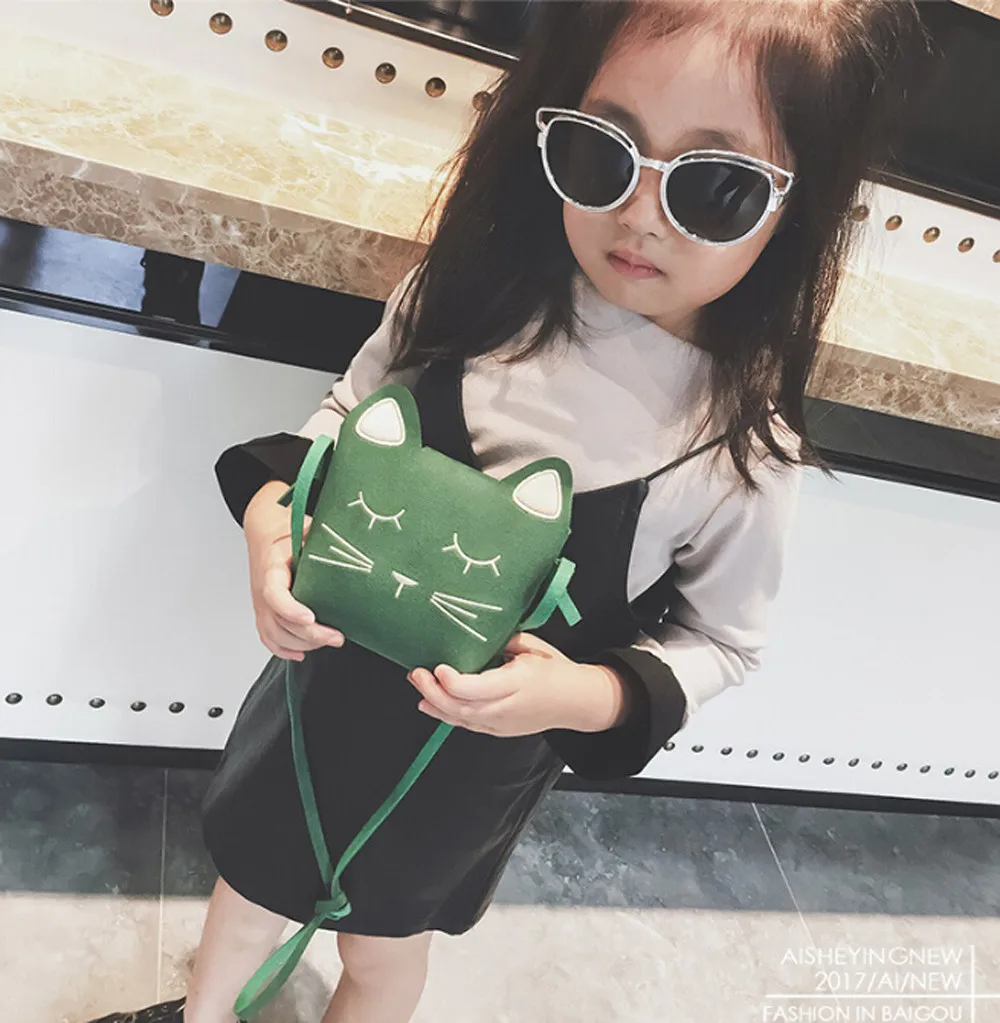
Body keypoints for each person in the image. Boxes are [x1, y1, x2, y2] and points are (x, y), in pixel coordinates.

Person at [88, 1, 929, 1020]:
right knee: (249, 887)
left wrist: (580, 695)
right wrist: (276, 516)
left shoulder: (737, 452)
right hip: (320, 700)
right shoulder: (461, 298)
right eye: (602, 153)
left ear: (801, 205)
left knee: (380, 948)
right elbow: (348, 413)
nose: (641, 215)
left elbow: (723, 642)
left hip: (465, 772)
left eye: (714, 186)